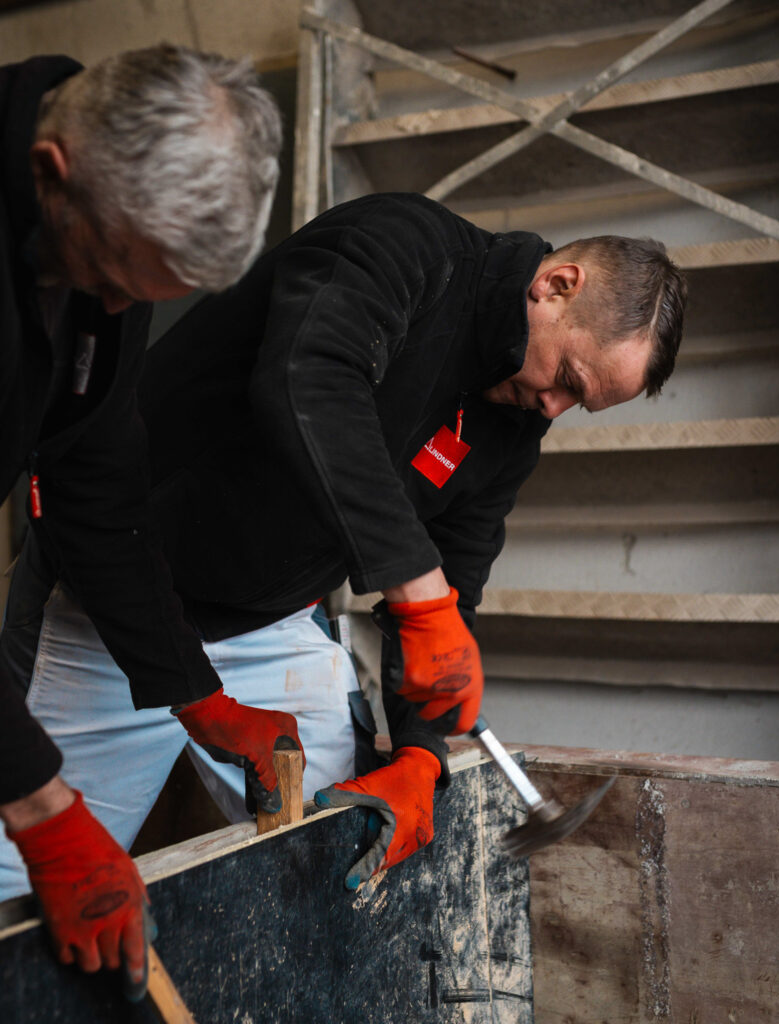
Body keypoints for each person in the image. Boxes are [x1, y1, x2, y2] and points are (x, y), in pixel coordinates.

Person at [0, 191, 686, 900]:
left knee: (353, 847)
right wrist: (419, 594)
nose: (553, 408)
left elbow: (452, 588)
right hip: (113, 611)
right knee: (31, 880)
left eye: (579, 405)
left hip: (269, 625)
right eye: (568, 380)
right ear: (555, 284)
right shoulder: (406, 245)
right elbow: (310, 382)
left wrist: (421, 750)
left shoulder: (514, 425)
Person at [0, 44, 288, 1000]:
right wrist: (43, 810)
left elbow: (97, 492)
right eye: (115, 279)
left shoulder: (95, 247)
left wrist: (190, 689)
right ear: (53, 173)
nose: (118, 307)